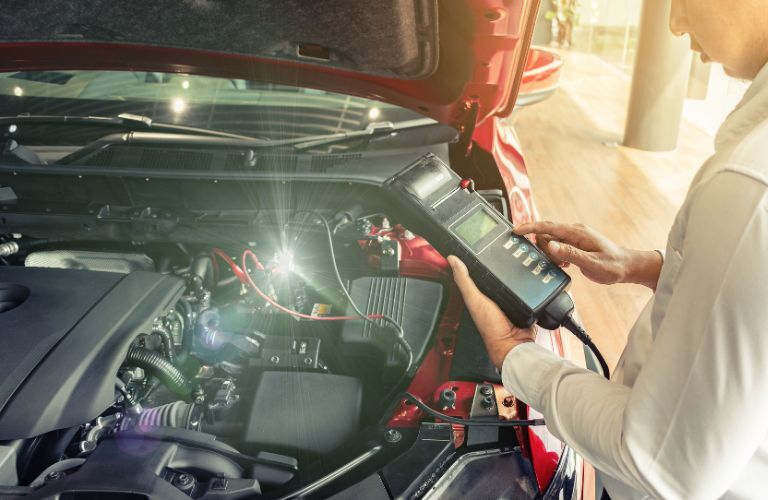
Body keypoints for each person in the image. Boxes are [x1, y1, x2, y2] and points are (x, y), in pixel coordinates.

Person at [447, 1, 768, 498]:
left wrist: (515, 353)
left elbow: (664, 464)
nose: (675, 23)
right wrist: (654, 269)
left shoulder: (751, 185)